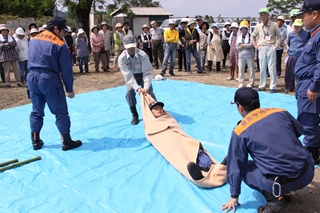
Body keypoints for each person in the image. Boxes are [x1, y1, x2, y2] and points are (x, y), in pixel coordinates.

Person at [222, 87, 314, 213]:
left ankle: (275, 198)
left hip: (279, 183)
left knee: (243, 168)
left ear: (241, 107)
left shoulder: (240, 131)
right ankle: (285, 193)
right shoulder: (280, 111)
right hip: (307, 172)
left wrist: (234, 196)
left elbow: (236, 166)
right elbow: (299, 131)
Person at [141, 94, 227, 188]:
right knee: (180, 156)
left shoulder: (168, 118)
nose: (159, 110)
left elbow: (179, 130)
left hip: (181, 139)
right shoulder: (151, 125)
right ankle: (198, 176)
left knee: (195, 148)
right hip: (169, 142)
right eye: (155, 108)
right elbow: (153, 136)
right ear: (150, 112)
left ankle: (215, 167)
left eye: (160, 108)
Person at [27, 17, 82, 151]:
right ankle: (66, 141)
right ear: (56, 29)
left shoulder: (33, 40)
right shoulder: (59, 44)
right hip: (49, 79)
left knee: (36, 111)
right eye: (63, 31)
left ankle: (35, 140)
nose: (64, 34)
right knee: (60, 111)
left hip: (32, 77)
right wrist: (69, 89)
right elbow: (66, 69)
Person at [294, 0, 320, 165]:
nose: (302, 19)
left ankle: (312, 153)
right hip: (307, 82)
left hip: (310, 85)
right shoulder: (314, 34)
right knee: (308, 118)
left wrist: (314, 86)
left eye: (304, 15)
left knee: (308, 118)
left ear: (315, 14)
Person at [118, 35, 157, 125]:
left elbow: (147, 72)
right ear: (124, 46)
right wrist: (137, 88)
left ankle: (155, 110)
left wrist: (145, 87)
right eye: (129, 47)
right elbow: (128, 75)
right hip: (131, 77)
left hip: (143, 75)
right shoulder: (121, 58)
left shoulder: (143, 55)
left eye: (132, 46)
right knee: (129, 92)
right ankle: (134, 115)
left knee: (149, 92)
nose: (131, 48)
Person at [251, 8, 281, 93]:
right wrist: (256, 45)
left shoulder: (274, 25)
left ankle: (273, 86)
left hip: (271, 46)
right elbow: (252, 36)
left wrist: (275, 46)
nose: (262, 16)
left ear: (268, 15)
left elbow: (279, 37)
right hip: (262, 47)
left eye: (264, 14)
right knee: (262, 67)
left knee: (272, 68)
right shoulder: (258, 26)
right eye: (261, 15)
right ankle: (262, 85)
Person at [285, 19, 308, 93]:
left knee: (300, 73)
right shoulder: (291, 34)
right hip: (292, 55)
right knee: (289, 73)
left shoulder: (306, 34)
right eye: (295, 26)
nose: (296, 28)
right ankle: (289, 87)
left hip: (301, 57)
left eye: (298, 26)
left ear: (302, 26)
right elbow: (289, 43)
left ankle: (300, 87)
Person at [236, 21, 255, 88]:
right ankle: (241, 82)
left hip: (250, 56)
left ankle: (251, 83)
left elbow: (251, 45)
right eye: (242, 29)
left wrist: (243, 45)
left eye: (245, 28)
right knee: (241, 69)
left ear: (247, 29)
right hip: (241, 56)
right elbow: (237, 47)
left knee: (251, 69)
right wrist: (244, 46)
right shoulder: (239, 37)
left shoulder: (250, 36)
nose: (243, 30)